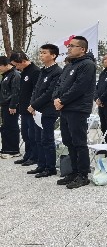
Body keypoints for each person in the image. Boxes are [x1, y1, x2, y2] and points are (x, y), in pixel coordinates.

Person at [52, 36, 97, 189]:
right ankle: (74, 171)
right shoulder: (69, 66)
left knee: (79, 142)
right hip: (65, 108)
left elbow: (79, 87)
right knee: (68, 141)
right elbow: (59, 84)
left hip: (77, 109)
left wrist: (62, 100)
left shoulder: (87, 65)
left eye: (72, 46)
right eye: (69, 46)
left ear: (82, 49)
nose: (69, 48)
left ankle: (83, 174)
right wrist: (55, 98)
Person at [27, 44, 63, 178]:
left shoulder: (57, 71)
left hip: (48, 110)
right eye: (40, 53)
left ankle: (50, 167)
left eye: (44, 53)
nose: (41, 55)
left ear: (53, 55)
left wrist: (34, 105)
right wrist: (32, 105)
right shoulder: (43, 70)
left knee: (47, 139)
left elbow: (49, 93)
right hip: (37, 110)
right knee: (38, 138)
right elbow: (36, 90)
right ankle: (41, 165)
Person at [10, 52, 40, 167]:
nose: (16, 67)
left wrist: (33, 105)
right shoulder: (24, 72)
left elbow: (36, 91)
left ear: (23, 61)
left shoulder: (35, 71)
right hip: (23, 108)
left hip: (31, 108)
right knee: (25, 134)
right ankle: (27, 155)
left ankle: (34, 156)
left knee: (32, 134)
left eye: (17, 65)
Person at [0, 56, 21, 157]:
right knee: (5, 127)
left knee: (11, 127)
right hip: (5, 104)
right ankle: (6, 148)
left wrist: (13, 105)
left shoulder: (15, 74)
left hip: (11, 105)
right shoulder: (6, 75)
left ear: (4, 64)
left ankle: (13, 150)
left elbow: (16, 91)